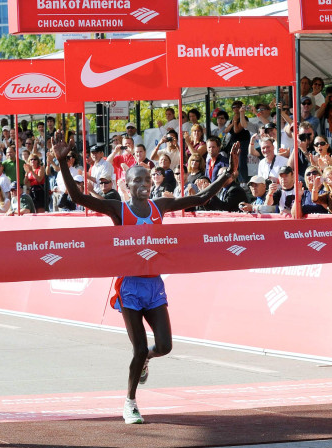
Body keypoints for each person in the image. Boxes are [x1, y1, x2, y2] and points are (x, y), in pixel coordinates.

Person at [52, 131, 240, 425]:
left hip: (154, 285)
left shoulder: (159, 207)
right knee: (138, 347)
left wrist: (227, 175)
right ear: (126, 186)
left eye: (146, 179)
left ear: (151, 182)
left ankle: (146, 361)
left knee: (163, 346)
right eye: (136, 180)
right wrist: (63, 162)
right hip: (129, 287)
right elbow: (78, 197)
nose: (142, 184)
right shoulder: (119, 209)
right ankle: (130, 402)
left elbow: (201, 197)